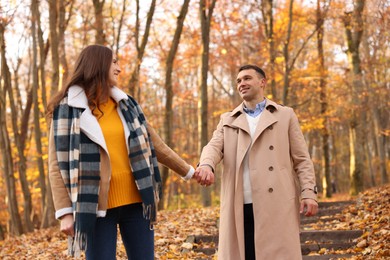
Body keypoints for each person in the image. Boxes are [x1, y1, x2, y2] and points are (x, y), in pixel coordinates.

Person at [47, 44, 195, 260]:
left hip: (137, 202)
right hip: (94, 206)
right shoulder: (66, 110)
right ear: (98, 65)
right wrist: (65, 213)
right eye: (114, 62)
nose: (119, 68)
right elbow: (55, 166)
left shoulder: (127, 105)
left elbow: (155, 144)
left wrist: (189, 171)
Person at [194, 64, 318, 260]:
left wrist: (309, 193)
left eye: (247, 78)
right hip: (239, 203)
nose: (242, 83)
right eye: (239, 80)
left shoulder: (285, 115)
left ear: (262, 82)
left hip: (277, 203)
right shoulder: (228, 119)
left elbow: (302, 160)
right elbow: (213, 147)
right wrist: (206, 164)